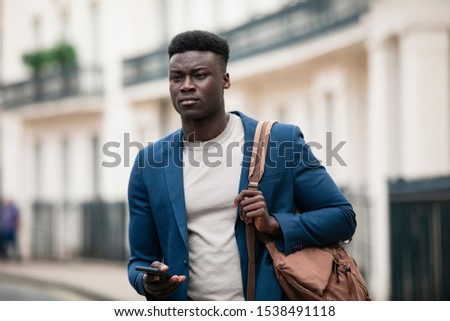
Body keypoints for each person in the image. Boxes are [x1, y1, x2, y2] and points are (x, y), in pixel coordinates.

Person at [127, 30, 356, 300]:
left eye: (199, 75)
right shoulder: (150, 163)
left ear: (225, 80)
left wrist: (274, 224)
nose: (186, 85)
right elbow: (138, 262)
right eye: (177, 77)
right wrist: (147, 281)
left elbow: (343, 217)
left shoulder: (280, 143)